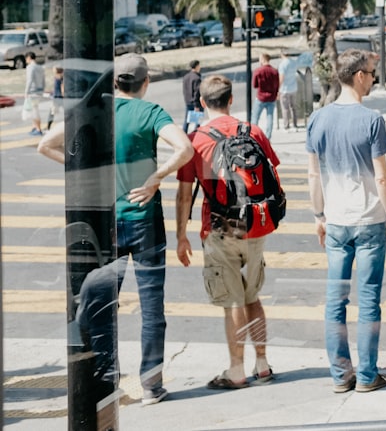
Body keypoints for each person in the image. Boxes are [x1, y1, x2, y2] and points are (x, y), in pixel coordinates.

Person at [38, 53, 195, 405]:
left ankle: (107, 380)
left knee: (103, 306)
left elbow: (44, 144)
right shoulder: (151, 113)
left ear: (114, 82)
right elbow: (185, 148)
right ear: (145, 82)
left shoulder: (95, 111)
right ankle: (152, 385)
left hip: (107, 224)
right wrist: (157, 176)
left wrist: (83, 168)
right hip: (145, 222)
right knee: (152, 308)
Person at [306, 48, 386, 394]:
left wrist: (319, 216)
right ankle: (366, 375)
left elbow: (313, 176)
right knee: (369, 299)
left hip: (335, 222)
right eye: (372, 73)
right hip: (369, 220)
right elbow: (382, 178)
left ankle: (340, 375)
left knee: (336, 300)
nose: (374, 78)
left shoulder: (317, 119)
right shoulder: (372, 120)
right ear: (358, 76)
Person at [175, 74, 278, 390]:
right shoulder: (253, 131)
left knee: (232, 299)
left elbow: (183, 193)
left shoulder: (197, 140)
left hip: (221, 225)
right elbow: (271, 173)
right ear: (231, 99)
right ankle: (262, 364)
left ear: (202, 102)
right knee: (252, 295)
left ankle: (236, 370)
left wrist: (181, 235)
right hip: (257, 222)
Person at [251, 52, 279, 139]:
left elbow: (254, 85)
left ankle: (253, 135)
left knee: (255, 117)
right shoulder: (274, 71)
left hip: (261, 97)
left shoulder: (258, 71)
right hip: (271, 97)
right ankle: (268, 137)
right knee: (270, 117)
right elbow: (277, 85)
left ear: (263, 59)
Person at [277, 49, 299, 132]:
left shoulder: (282, 64)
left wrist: (278, 89)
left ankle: (286, 126)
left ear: (281, 54)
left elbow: (281, 78)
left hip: (285, 89)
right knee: (293, 107)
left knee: (285, 108)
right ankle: (295, 125)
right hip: (293, 87)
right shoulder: (293, 62)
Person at [24, 51, 45, 135]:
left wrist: (26, 91)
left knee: (35, 110)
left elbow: (29, 80)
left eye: (26, 58)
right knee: (34, 109)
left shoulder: (30, 67)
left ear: (29, 57)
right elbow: (43, 80)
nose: (26, 60)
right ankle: (35, 127)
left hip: (33, 92)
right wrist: (42, 89)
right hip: (39, 91)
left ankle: (38, 129)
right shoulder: (40, 67)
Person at [182, 60, 202, 134]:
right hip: (196, 103)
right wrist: (196, 105)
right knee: (197, 122)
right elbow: (197, 92)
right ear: (196, 66)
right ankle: (196, 135)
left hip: (188, 102)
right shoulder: (197, 78)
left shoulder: (186, 77)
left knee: (187, 121)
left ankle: (184, 134)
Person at [48, 65, 63, 129]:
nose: (53, 69)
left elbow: (62, 88)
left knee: (52, 113)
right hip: (58, 97)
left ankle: (48, 127)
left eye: (54, 68)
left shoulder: (59, 77)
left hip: (58, 97)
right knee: (52, 112)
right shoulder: (59, 77)